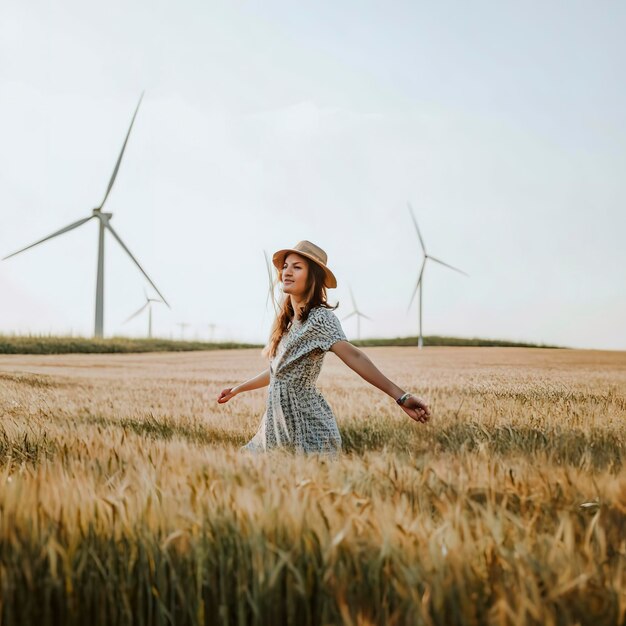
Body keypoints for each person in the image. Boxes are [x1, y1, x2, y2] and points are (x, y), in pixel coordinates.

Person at [217, 240, 431, 456]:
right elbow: (278, 373)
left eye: (297, 267)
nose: (286, 272)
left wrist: (401, 396)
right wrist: (237, 390)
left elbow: (355, 357)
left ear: (313, 277)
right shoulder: (292, 325)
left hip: (308, 429)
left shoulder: (320, 319)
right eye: (285, 266)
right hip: (277, 429)